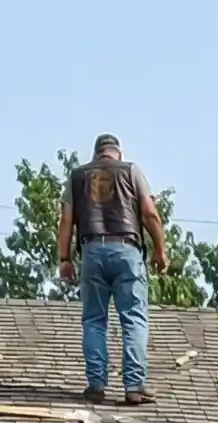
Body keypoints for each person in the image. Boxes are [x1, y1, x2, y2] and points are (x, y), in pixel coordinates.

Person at [57, 134, 168, 405]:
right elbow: (150, 214)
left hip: (92, 250)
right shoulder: (131, 171)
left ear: (97, 154)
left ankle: (96, 384)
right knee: (133, 318)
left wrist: (64, 259)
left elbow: (66, 219)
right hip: (126, 249)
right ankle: (134, 386)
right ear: (118, 152)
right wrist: (159, 249)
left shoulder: (77, 176)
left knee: (94, 320)